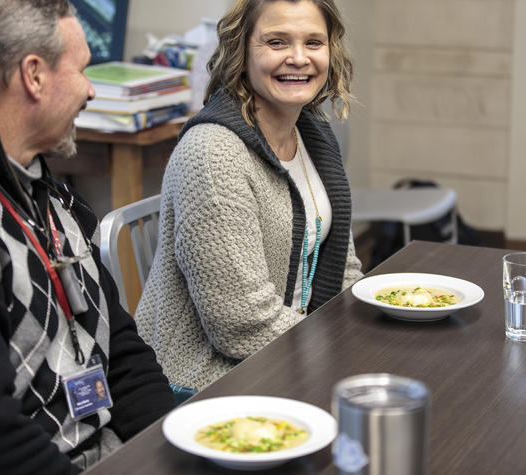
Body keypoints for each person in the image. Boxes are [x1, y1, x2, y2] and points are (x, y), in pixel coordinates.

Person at [0, 1, 175, 473]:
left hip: (98, 452)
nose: (90, 92)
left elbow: (122, 355)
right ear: (34, 76)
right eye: (82, 70)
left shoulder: (49, 192)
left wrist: (177, 450)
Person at [135, 0, 364, 391]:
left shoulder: (314, 134)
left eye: (313, 42)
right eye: (276, 42)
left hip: (290, 351)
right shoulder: (212, 155)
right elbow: (241, 325)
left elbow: (344, 270)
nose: (298, 58)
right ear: (242, 55)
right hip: (208, 381)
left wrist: (363, 337)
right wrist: (342, 355)